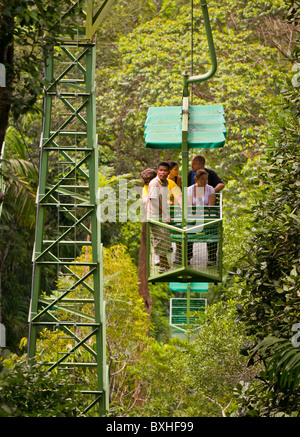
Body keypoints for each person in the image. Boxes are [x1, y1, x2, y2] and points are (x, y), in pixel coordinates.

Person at [148, 162, 182, 273]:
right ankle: (166, 267)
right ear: (157, 171)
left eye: (165, 171)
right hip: (155, 216)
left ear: (168, 172)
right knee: (160, 240)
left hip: (163, 216)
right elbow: (153, 201)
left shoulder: (166, 183)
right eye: (161, 170)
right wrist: (166, 213)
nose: (163, 172)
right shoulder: (154, 183)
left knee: (165, 241)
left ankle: (163, 266)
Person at [187, 168, 218, 266]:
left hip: (206, 215)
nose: (205, 182)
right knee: (188, 228)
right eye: (202, 179)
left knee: (212, 228)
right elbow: (188, 206)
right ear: (196, 179)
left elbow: (210, 206)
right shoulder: (190, 190)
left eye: (206, 179)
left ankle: (212, 256)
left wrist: (200, 213)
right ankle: (187, 255)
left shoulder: (210, 189)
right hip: (193, 216)